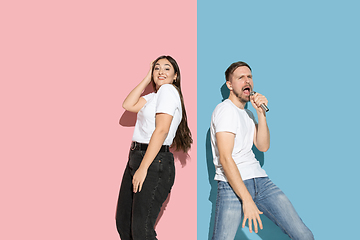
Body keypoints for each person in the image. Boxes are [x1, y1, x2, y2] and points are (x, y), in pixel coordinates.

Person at [210, 61, 314, 240]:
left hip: (261, 182)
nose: (247, 81)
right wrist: (247, 201)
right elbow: (226, 159)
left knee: (304, 236)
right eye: (240, 77)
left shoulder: (248, 114)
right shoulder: (225, 110)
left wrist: (260, 113)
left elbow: (263, 146)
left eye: (249, 77)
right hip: (231, 185)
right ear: (229, 84)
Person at [116, 55, 192, 240]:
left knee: (142, 230)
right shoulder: (153, 97)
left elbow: (162, 130)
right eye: (157, 68)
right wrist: (147, 78)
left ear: (175, 76)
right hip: (136, 157)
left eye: (167, 68)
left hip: (152, 161)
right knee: (124, 224)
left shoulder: (168, 90)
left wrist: (143, 168)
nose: (161, 71)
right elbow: (128, 104)